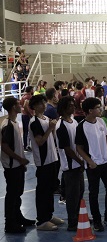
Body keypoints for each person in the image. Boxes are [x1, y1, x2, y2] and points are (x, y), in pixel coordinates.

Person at [75, 97, 107, 232]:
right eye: (97, 107)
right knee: (94, 192)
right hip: (93, 165)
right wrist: (89, 161)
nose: (100, 109)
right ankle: (97, 220)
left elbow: (106, 138)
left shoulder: (102, 121)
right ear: (90, 111)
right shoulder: (82, 127)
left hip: (105, 163)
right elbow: (79, 147)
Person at [27, 95, 63, 231]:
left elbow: (51, 138)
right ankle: (42, 220)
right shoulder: (34, 122)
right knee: (43, 190)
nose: (44, 104)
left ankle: (49, 216)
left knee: (50, 189)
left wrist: (52, 128)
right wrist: (50, 128)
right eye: (41, 103)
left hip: (52, 158)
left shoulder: (46, 119)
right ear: (35, 106)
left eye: (44, 102)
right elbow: (40, 141)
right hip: (43, 161)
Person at [2, 97, 32, 234]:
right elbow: (5, 147)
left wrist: (21, 161)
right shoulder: (7, 125)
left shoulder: (14, 123)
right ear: (14, 107)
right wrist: (20, 159)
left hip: (17, 165)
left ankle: (18, 217)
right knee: (12, 194)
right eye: (18, 104)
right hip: (12, 166)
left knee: (18, 193)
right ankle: (10, 223)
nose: (20, 105)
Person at [55, 96, 84, 232]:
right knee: (72, 196)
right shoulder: (61, 126)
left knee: (80, 192)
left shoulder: (73, 122)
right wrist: (79, 160)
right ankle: (72, 222)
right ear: (64, 108)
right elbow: (67, 149)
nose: (74, 107)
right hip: (70, 166)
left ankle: (79, 217)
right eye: (71, 105)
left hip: (78, 164)